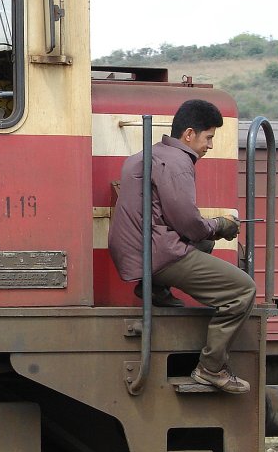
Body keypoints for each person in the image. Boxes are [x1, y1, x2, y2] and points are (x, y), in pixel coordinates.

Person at [107, 98, 257, 394]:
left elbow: (179, 222)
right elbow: (188, 222)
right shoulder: (177, 163)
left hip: (135, 251)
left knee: (202, 241)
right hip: (157, 254)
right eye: (209, 137)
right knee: (242, 290)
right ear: (189, 135)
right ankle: (211, 368)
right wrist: (222, 226)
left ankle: (155, 289)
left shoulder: (147, 154)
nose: (210, 145)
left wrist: (207, 231)